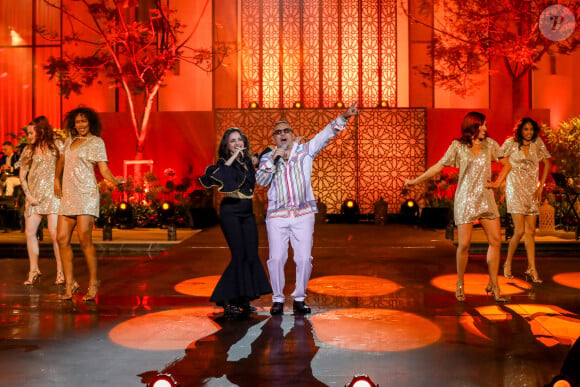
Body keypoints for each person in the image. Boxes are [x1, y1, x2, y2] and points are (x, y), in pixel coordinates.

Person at [256, 102, 359, 315]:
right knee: (276, 258)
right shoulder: (268, 157)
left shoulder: (305, 151)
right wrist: (273, 160)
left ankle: (299, 299)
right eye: (278, 132)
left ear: (293, 135)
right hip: (277, 216)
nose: (283, 134)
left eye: (286, 131)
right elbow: (262, 181)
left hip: (303, 214)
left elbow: (326, 134)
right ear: (274, 138)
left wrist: (344, 116)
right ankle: (277, 299)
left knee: (303, 258)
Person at [405, 111, 510, 303]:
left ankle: (494, 284)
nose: (486, 129)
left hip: (486, 198)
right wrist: (415, 181)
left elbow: (507, 164)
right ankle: (460, 283)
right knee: (464, 245)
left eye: (486, 125)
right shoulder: (458, 146)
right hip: (465, 200)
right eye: (483, 125)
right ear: (473, 126)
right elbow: (438, 167)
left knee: (496, 241)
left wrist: (496, 184)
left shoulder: (490, 145)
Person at [200, 127, 272, 318]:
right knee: (239, 255)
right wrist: (233, 156)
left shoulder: (248, 161)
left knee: (250, 255)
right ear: (227, 145)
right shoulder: (224, 163)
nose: (237, 143)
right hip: (230, 210)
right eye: (232, 141)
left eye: (239, 140)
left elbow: (265, 158)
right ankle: (226, 298)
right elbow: (222, 173)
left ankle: (243, 299)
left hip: (247, 211)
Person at [55, 107, 124, 301]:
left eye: (84, 121)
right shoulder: (69, 141)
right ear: (73, 124)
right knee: (61, 239)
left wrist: (115, 181)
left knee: (84, 237)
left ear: (90, 122)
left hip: (86, 194)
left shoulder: (96, 142)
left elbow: (103, 169)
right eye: (77, 122)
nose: (81, 125)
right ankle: (70, 285)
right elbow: (61, 162)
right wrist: (56, 181)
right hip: (68, 194)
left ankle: (94, 283)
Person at [501, 118, 551, 284]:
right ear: (520, 130)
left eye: (531, 129)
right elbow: (499, 157)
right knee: (519, 230)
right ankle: (507, 262)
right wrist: (506, 172)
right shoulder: (510, 143)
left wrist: (541, 186)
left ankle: (532, 268)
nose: (529, 132)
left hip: (532, 191)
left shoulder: (537, 143)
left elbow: (547, 162)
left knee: (531, 232)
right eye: (526, 129)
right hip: (514, 189)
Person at [16, 116, 64, 286]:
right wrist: (28, 195)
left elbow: (67, 163)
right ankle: (34, 269)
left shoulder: (56, 145)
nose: (28, 136)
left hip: (53, 194)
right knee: (30, 233)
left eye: (31, 132)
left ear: (41, 130)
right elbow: (22, 175)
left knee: (54, 233)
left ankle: (61, 270)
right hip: (34, 195)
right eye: (27, 133)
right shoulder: (29, 150)